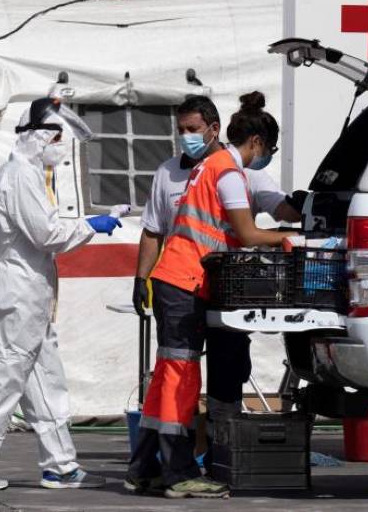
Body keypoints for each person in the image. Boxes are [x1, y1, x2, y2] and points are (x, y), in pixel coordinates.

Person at [0, 98, 120, 492]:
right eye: (57, 137)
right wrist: (91, 225)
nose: (61, 146)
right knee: (0, 378)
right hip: (18, 295)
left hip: (32, 298)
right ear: (40, 138)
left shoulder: (27, 175)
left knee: (46, 381)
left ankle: (60, 465)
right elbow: (47, 235)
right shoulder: (20, 176)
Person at [127, 92, 298, 499]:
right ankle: (179, 473)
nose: (185, 137)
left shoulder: (208, 167)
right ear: (256, 145)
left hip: (181, 281)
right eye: (181, 130)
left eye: (192, 129)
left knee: (169, 379)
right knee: (181, 379)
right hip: (184, 282)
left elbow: (260, 210)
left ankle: (144, 469)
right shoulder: (226, 171)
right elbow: (246, 233)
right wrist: (289, 239)